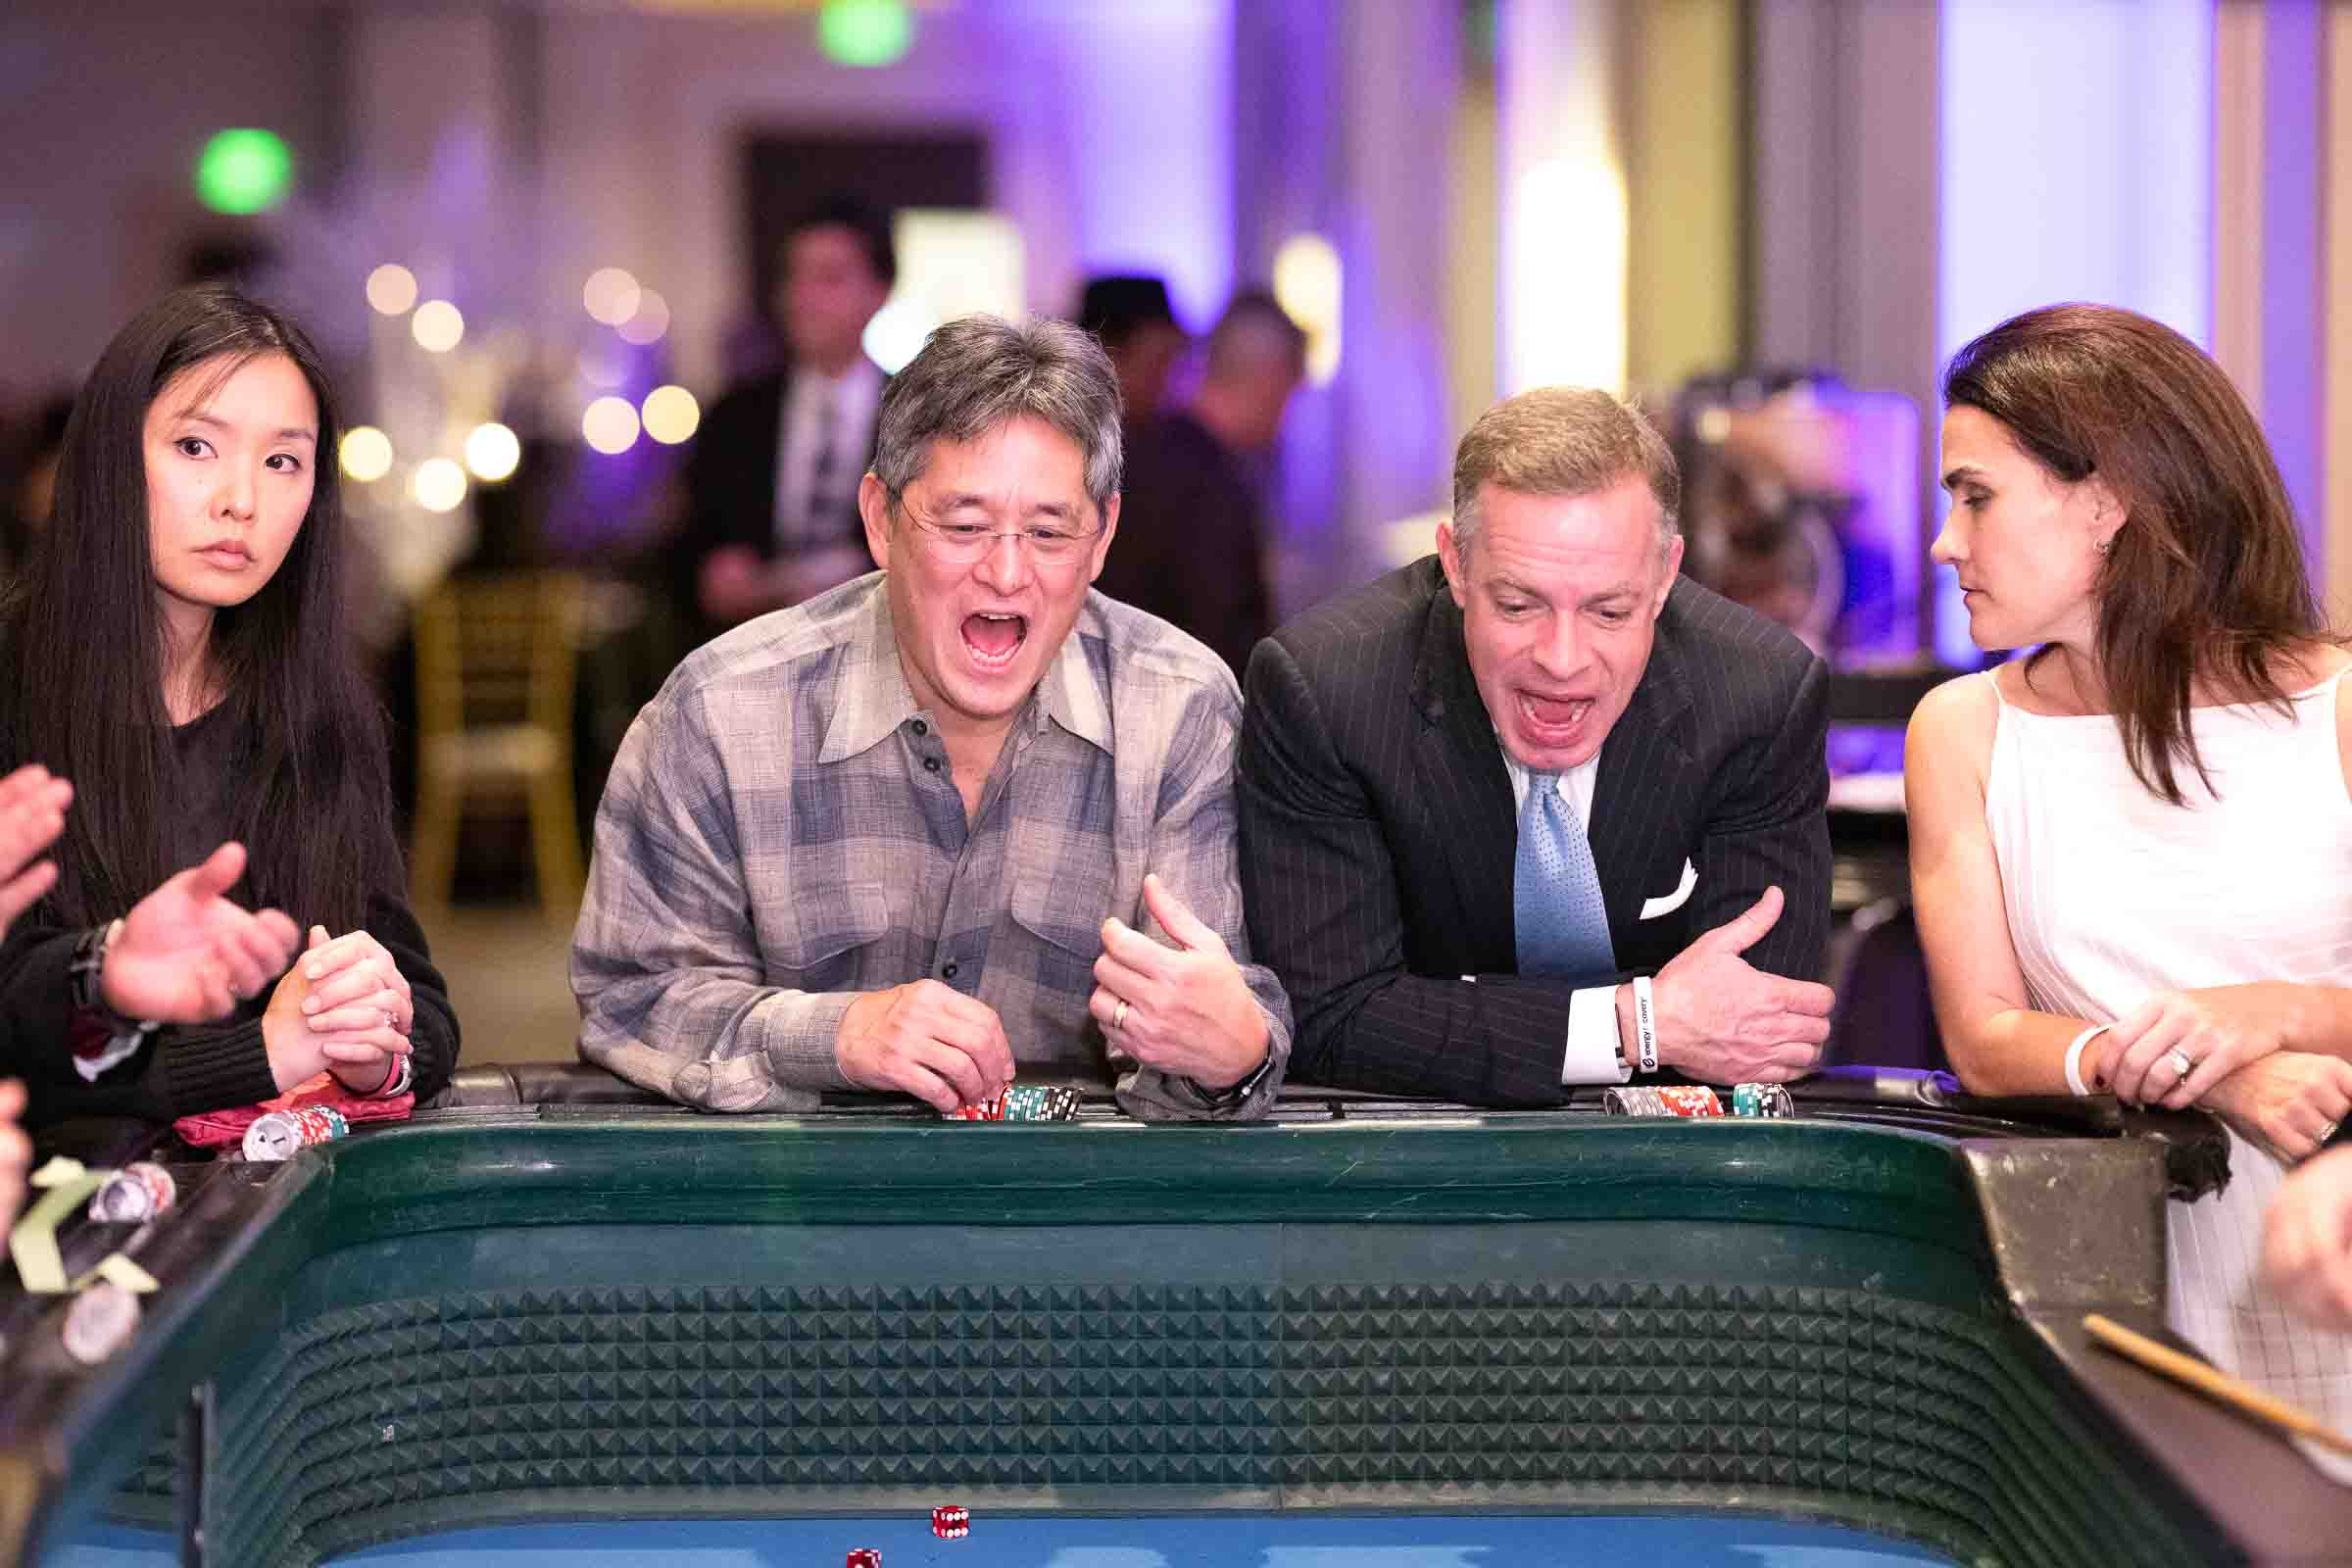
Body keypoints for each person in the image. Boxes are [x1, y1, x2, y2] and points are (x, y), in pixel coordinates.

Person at [575, 315, 1291, 1119]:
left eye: (1049, 531)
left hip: (1081, 1192)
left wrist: (1227, 1054)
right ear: (880, 520)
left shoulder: (1181, 710)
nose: (1007, 573)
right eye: (965, 526)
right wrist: (835, 1033)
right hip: (791, 1194)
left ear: (1102, 538)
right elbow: (633, 998)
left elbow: (1214, 1030)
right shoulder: (719, 713)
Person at [1904, 302, 2352, 1448]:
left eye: (1975, 496)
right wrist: (2211, 1073)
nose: (1946, 542)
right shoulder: (1963, 730)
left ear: (2107, 502)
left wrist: (2270, 1013)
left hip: (2332, 1251)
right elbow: (1984, 1036)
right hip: (2129, 1293)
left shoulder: (2340, 710)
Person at [1238, 386, 1834, 1106]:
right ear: (1455, 565)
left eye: (1609, 611)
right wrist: (1634, 1023)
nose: (1561, 659)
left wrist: (1438, 1015)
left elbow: (1762, 1028)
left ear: (1664, 577)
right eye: (1519, 605)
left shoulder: (1760, 694)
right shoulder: (1327, 691)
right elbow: (1331, 1016)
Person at [0, 284, 458, 1128]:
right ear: (107, 456)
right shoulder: (14, 690)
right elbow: (19, 1042)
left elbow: (422, 1009)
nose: (240, 500)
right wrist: (256, 1052)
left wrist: (373, 1044)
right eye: (195, 446)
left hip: (277, 1188)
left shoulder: (318, 713)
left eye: (283, 462)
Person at [675, 197, 897, 647]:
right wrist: (711, 569)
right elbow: (690, 541)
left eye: (829, 278)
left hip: (882, 645)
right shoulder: (734, 415)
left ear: (880, 292)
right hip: (754, 646)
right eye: (795, 277)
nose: (804, 298)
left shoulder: (915, 412)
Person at [1094, 290, 1300, 679]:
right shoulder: (1215, 485)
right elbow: (1222, 633)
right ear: (1271, 378)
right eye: (1292, 389)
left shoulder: (1141, 456)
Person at [1075, 273, 1188, 423]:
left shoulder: (1179, 430)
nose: (1171, 377)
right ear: (1109, 353)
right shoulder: (1059, 429)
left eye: (1173, 359)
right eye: (1161, 359)